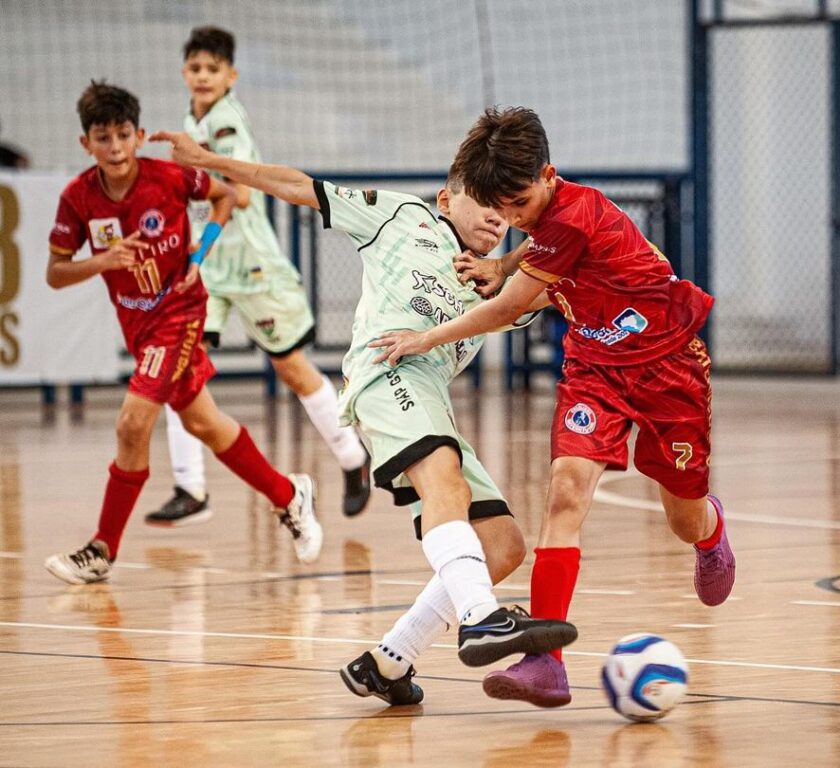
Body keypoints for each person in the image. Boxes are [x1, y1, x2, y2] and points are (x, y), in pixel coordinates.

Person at [149, 127, 578, 695]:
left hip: (430, 399)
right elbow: (300, 187)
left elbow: (579, 269)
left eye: (508, 208)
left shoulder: (508, 286)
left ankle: (390, 660)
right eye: (484, 199)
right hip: (386, 373)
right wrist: (211, 162)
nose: (499, 217)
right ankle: (478, 619)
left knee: (501, 544)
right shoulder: (401, 215)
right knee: (444, 484)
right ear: (447, 199)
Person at [370, 106, 736, 708]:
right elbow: (540, 244)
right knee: (565, 489)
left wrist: (424, 337)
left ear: (549, 173)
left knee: (683, 516)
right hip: (594, 367)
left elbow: (508, 308)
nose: (512, 218)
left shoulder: (578, 214)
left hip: (668, 366)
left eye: (518, 203)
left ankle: (711, 530)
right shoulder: (545, 218)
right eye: (501, 211)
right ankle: (547, 663)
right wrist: (503, 259)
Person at [44, 82, 322, 585]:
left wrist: (201, 252)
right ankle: (288, 495)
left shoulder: (168, 177)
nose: (115, 147)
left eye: (123, 135)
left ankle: (101, 548)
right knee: (204, 424)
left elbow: (229, 195)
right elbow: (55, 273)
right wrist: (102, 261)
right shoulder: (78, 198)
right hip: (139, 325)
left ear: (139, 135)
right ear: (86, 144)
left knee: (133, 425)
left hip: (181, 313)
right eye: (102, 138)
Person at [145, 26, 370, 528]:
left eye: (212, 69)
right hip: (208, 269)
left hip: (252, 266)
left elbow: (241, 193)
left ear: (231, 77)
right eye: (195, 68)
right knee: (180, 367)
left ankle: (353, 458)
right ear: (185, 74)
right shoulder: (192, 118)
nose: (202, 76)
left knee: (291, 368)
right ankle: (190, 485)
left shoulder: (224, 124)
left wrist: (185, 184)